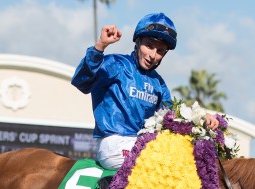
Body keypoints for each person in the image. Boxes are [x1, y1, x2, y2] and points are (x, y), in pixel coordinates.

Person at [71, 12, 218, 172]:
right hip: (113, 144)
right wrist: (100, 46)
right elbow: (81, 81)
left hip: (142, 144)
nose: (153, 55)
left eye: (160, 51)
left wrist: (201, 118)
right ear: (138, 41)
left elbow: (174, 115)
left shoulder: (159, 84)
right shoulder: (116, 64)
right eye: (148, 46)